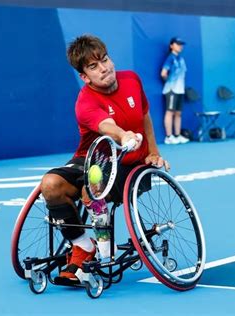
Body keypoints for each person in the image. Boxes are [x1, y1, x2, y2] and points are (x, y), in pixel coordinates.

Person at [40, 34, 170, 283]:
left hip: (130, 165)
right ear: (84, 77)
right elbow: (107, 125)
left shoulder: (131, 79)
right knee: (50, 185)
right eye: (93, 66)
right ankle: (83, 245)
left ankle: (101, 250)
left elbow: (144, 116)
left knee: (92, 190)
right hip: (92, 159)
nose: (104, 68)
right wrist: (123, 135)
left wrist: (154, 152)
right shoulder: (85, 102)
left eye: (105, 59)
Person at [161, 37, 189, 145]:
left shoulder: (181, 59)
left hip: (180, 90)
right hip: (171, 90)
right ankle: (169, 137)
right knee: (170, 112)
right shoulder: (170, 58)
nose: (180, 46)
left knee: (178, 113)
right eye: (178, 44)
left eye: (181, 44)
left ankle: (177, 135)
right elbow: (163, 73)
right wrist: (169, 82)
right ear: (171, 45)